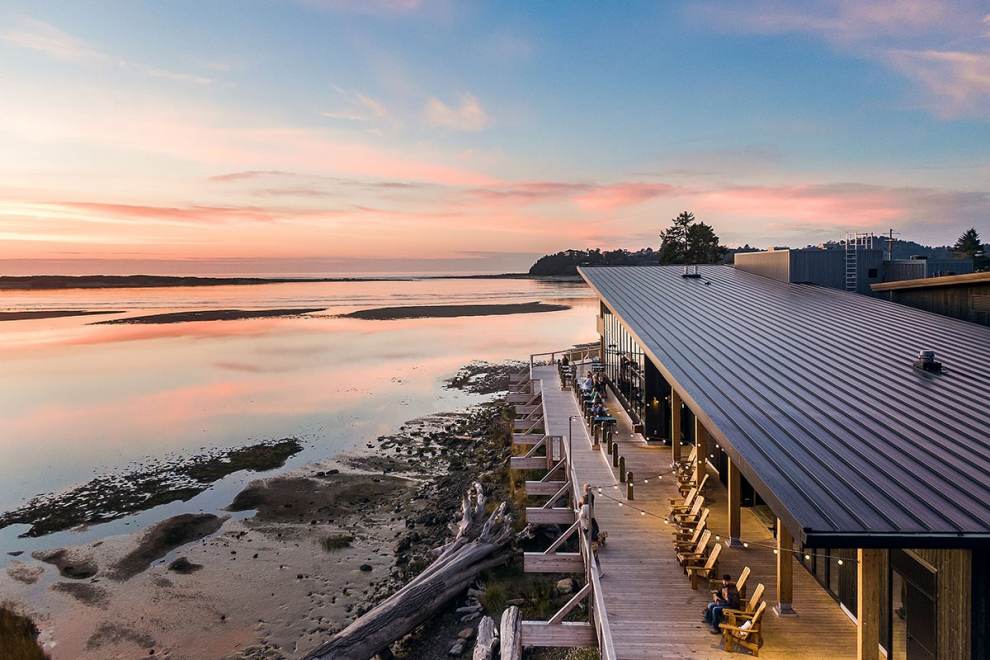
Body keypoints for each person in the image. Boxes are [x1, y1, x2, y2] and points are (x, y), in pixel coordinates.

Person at [578, 497, 605, 576]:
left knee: (594, 556)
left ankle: (598, 573)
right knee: (594, 556)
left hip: (591, 536)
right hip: (591, 535)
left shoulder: (585, 509)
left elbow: (584, 520)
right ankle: (598, 572)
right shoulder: (587, 510)